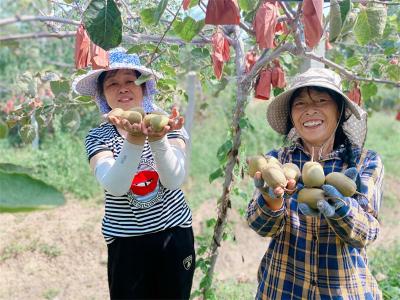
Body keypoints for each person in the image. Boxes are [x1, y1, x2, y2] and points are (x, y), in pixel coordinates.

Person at [247, 68, 383, 299]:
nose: (310, 110)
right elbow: (261, 227)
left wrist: (340, 208)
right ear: (291, 115)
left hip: (343, 291)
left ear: (339, 110)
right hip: (284, 289)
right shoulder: (277, 162)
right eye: (300, 104)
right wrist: (272, 199)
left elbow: (366, 233)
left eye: (321, 100)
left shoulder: (364, 162)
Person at [72, 47, 195, 299]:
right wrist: (136, 140)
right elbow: (114, 186)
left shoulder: (167, 124)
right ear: (103, 94)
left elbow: (173, 180)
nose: (123, 87)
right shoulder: (99, 136)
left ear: (143, 88)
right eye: (112, 83)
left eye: (130, 80)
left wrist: (158, 140)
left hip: (173, 235)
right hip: (126, 242)